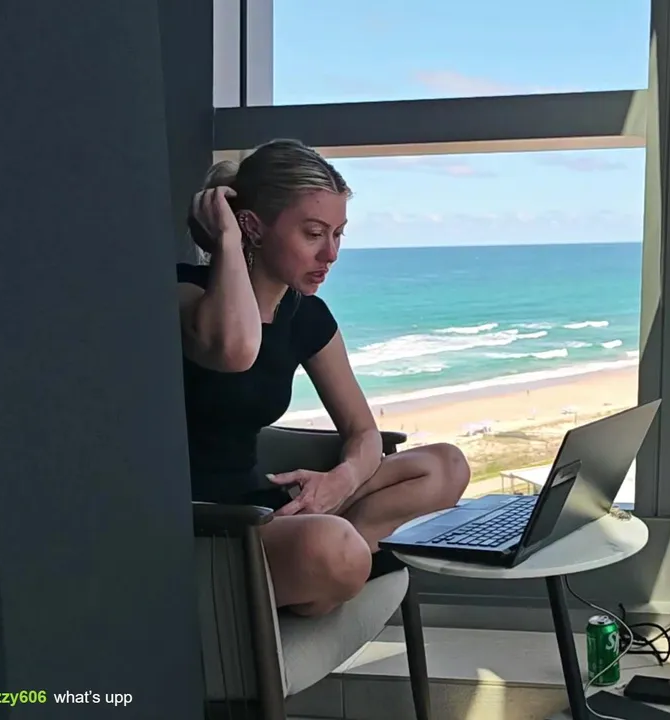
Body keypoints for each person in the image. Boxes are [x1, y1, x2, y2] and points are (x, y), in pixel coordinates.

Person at [178, 138, 470, 617]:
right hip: (209, 525)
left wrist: (341, 480)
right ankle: (336, 565)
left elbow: (363, 431)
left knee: (446, 465)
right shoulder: (185, 294)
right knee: (333, 546)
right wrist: (226, 240)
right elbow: (236, 349)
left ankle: (337, 566)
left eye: (338, 234)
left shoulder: (307, 316)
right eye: (313, 234)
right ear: (252, 226)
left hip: (270, 509)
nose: (330, 254)